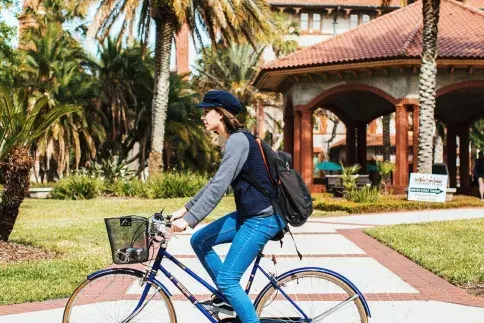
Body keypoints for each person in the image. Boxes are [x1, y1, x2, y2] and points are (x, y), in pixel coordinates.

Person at [169, 90, 285, 323]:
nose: (203, 116)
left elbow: (219, 187)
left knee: (228, 279)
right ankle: (225, 299)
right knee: (200, 240)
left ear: (220, 114)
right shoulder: (233, 141)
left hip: (264, 218)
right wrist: (184, 209)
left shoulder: (238, 141)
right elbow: (216, 181)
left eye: (206, 111)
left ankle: (229, 296)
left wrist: (189, 221)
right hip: (249, 215)